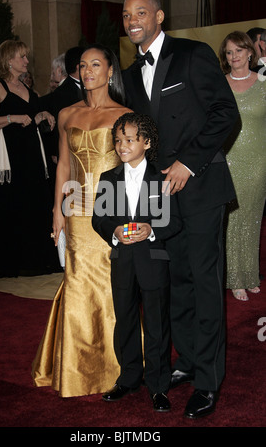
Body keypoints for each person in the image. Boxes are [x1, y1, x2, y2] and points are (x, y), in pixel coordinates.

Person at [121, 0, 239, 419]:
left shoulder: (192, 54)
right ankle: (187, 361)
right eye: (126, 15)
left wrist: (188, 163)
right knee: (179, 284)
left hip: (203, 188)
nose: (132, 21)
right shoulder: (131, 73)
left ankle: (208, 381)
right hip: (161, 196)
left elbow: (226, 114)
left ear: (159, 15)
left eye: (140, 13)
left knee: (206, 287)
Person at [31, 44, 132, 398]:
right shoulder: (66, 114)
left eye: (96, 64)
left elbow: (132, 169)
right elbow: (63, 165)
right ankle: (76, 369)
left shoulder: (126, 114)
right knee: (76, 280)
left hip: (112, 209)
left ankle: (120, 365)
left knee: (113, 283)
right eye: (83, 65)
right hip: (75, 208)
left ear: (109, 72)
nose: (88, 71)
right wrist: (57, 209)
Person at [92, 112, 182, 412]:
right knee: (126, 321)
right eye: (118, 140)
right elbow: (98, 218)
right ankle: (129, 377)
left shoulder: (161, 178)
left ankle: (158, 385)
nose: (122, 145)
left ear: (146, 142)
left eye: (130, 139)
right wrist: (114, 231)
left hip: (153, 260)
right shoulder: (109, 178)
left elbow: (175, 221)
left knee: (156, 325)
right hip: (122, 260)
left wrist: (152, 229)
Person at [0, 40, 61, 278]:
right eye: (22, 57)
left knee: (34, 207)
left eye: (26, 56)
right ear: (9, 60)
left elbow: (30, 118)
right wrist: (11, 118)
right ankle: (8, 262)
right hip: (10, 161)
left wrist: (42, 114)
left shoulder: (28, 88)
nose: (26, 61)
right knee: (10, 207)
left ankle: (35, 260)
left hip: (32, 158)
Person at [219, 31, 266, 301]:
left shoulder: (263, 84)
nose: (234, 56)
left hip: (259, 161)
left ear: (251, 52)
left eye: (239, 50)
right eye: (229, 52)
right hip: (227, 159)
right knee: (230, 218)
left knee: (251, 218)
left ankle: (249, 274)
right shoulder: (219, 84)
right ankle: (233, 277)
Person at [38, 47, 85, 196]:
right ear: (79, 66)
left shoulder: (90, 87)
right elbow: (58, 128)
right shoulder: (61, 93)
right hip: (70, 159)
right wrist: (56, 153)